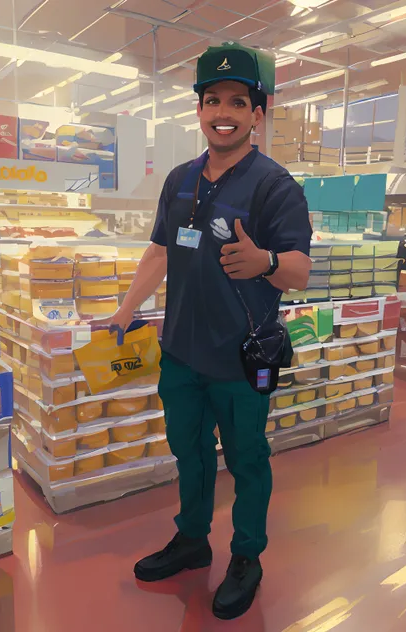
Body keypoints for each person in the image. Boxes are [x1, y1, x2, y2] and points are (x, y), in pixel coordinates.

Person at [107, 42, 312, 620]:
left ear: (256, 113)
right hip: (182, 355)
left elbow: (300, 269)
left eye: (238, 102)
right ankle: (192, 541)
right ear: (199, 110)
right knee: (189, 454)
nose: (224, 111)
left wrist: (266, 263)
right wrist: (126, 309)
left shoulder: (275, 186)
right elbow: (159, 250)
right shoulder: (179, 179)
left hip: (241, 359)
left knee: (247, 459)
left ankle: (246, 556)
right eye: (212, 100)